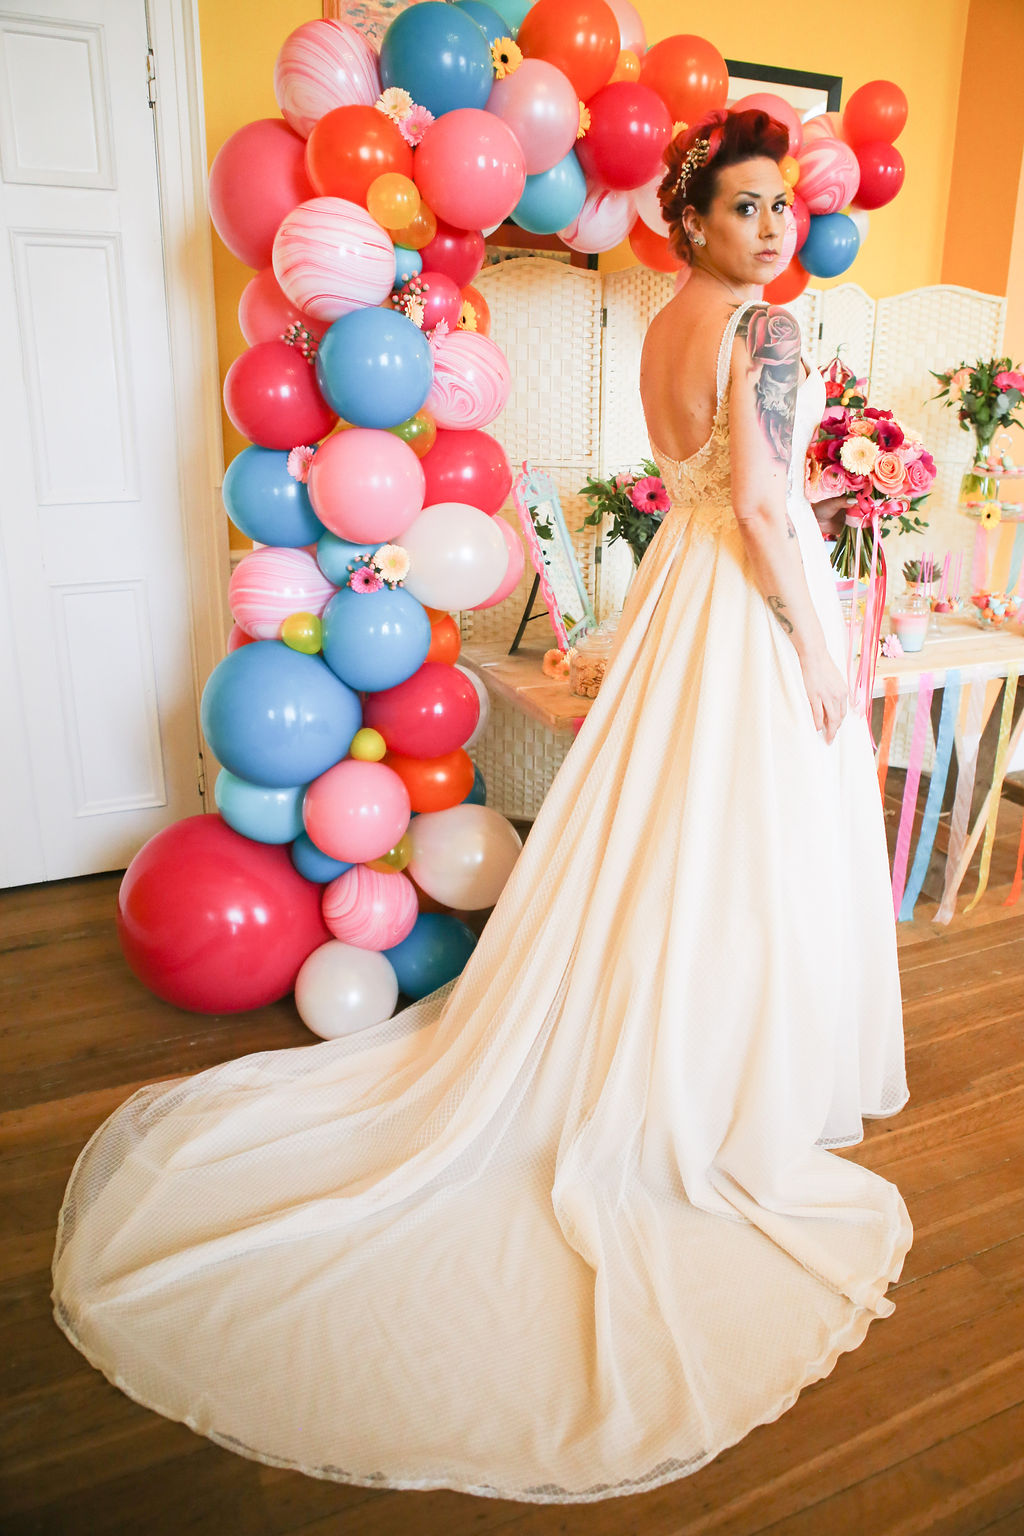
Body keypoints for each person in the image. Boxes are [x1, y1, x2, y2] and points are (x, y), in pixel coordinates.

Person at [51, 109, 911, 1506]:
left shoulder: (668, 320)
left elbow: (694, 489)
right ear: (695, 218)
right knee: (748, 839)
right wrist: (820, 643)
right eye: (744, 208)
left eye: (776, 209)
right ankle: (730, 1077)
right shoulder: (769, 330)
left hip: (682, 599)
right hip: (746, 601)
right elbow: (759, 501)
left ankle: (692, 1043)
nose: (768, 229)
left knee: (676, 839)